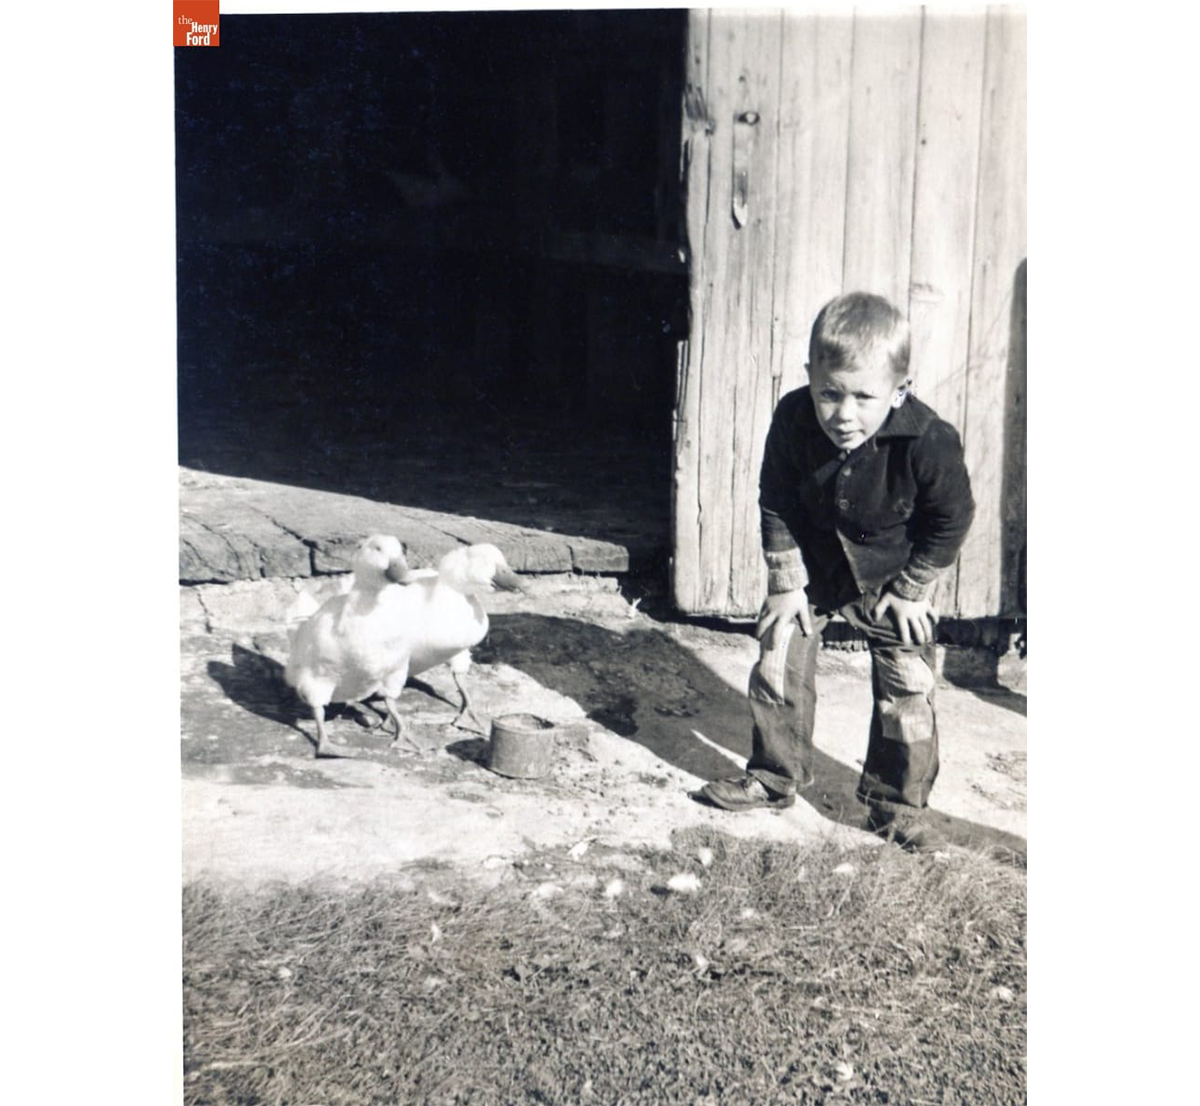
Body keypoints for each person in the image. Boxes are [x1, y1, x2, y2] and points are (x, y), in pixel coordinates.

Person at [699, 292, 975, 851]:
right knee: (777, 656)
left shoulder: (928, 440)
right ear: (810, 377)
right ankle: (774, 776)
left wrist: (913, 589)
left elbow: (952, 517)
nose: (842, 414)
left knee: (909, 691)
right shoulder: (793, 418)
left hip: (894, 583)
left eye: (863, 398)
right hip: (815, 573)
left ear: (900, 391)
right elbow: (775, 498)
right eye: (829, 393)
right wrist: (785, 582)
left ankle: (896, 804)